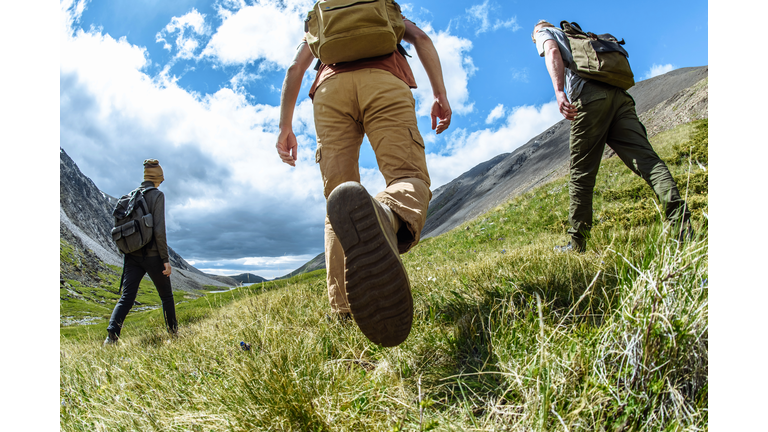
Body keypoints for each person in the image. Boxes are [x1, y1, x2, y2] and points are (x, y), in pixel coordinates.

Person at [276, 11, 452, 347]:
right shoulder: (381, 8)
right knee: (408, 175)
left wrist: (285, 127)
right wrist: (440, 94)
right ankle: (386, 214)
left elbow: (295, 69)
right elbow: (422, 40)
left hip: (329, 92)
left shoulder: (324, 15)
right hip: (383, 80)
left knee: (337, 204)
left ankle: (343, 311)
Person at [532, 20, 692, 252]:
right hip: (620, 97)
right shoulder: (583, 37)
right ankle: (682, 227)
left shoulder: (545, 32)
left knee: (581, 175)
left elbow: (552, 51)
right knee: (648, 161)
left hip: (589, 99)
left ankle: (577, 244)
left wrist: (559, 91)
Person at [104, 159, 178, 345]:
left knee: (127, 298)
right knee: (167, 297)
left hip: (132, 255)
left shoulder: (131, 195)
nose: (161, 182)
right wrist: (165, 260)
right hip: (153, 255)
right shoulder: (157, 195)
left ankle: (111, 338)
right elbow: (159, 230)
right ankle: (174, 335)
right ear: (157, 178)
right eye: (161, 178)